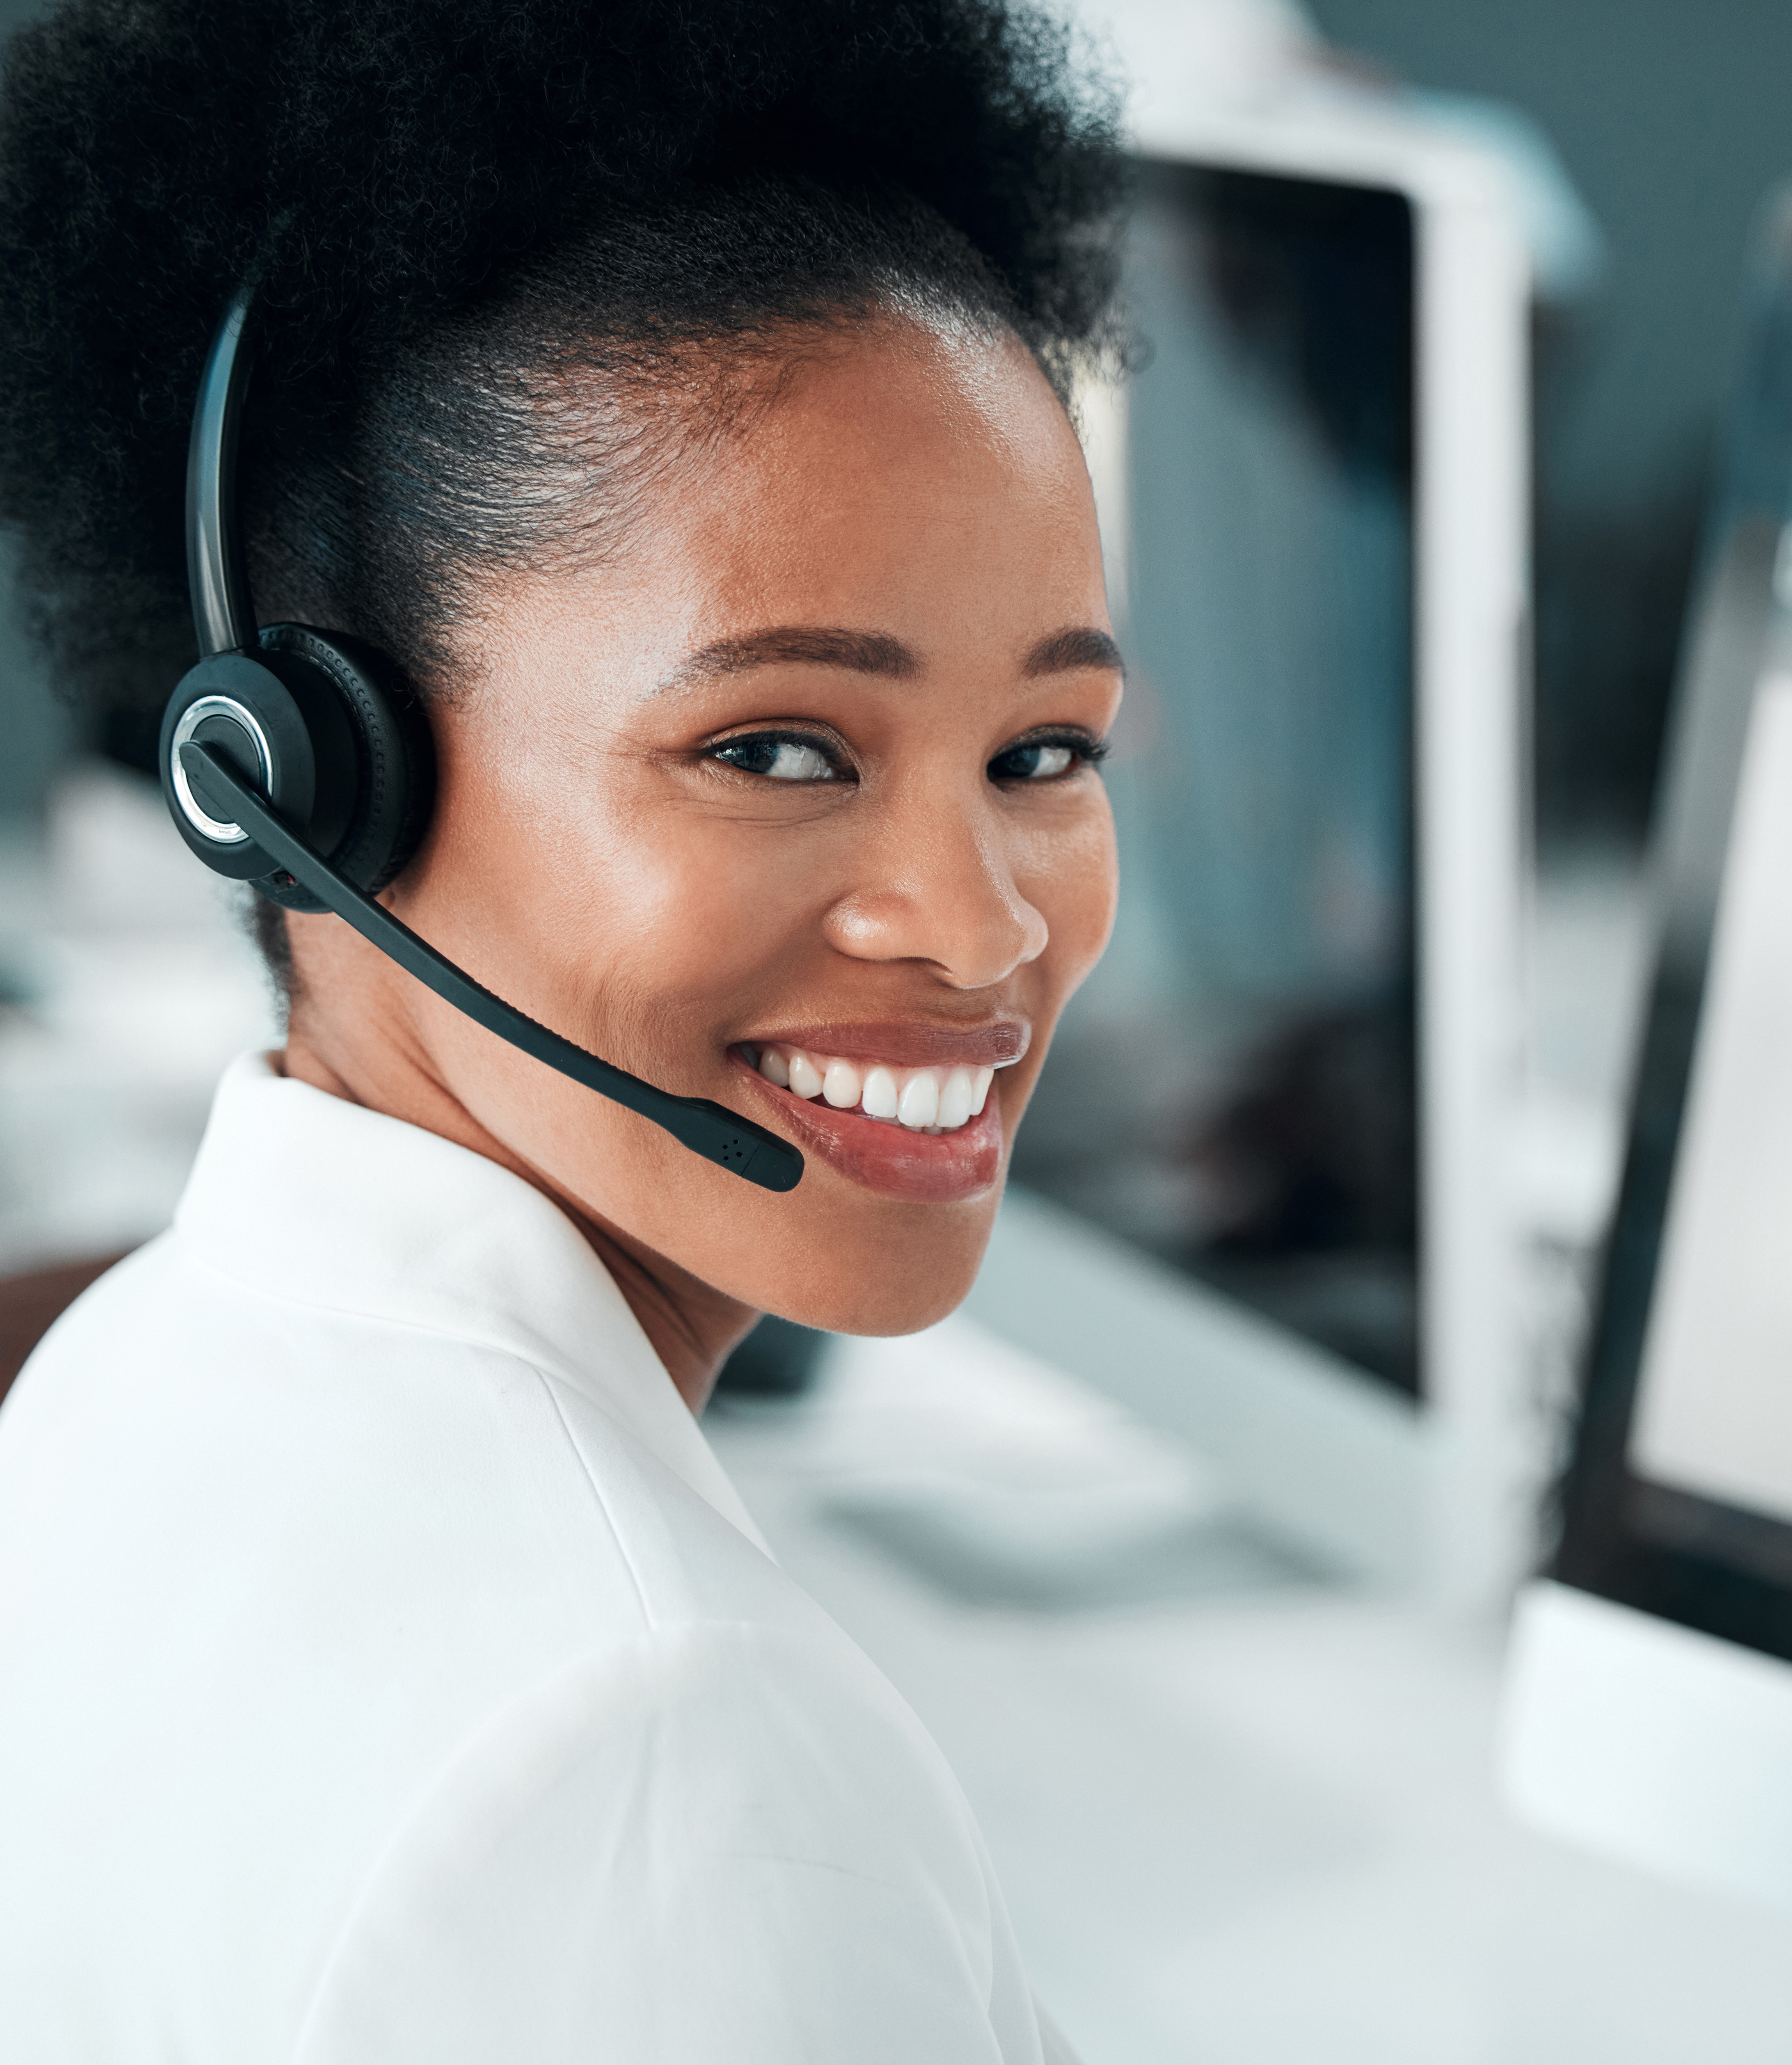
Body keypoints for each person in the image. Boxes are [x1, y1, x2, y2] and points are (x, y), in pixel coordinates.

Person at [0, 1, 1128, 2056]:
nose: (977, 926)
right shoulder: (664, 1752)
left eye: (1046, 748)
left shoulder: (116, 1386)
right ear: (305, 786)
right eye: (780, 748)